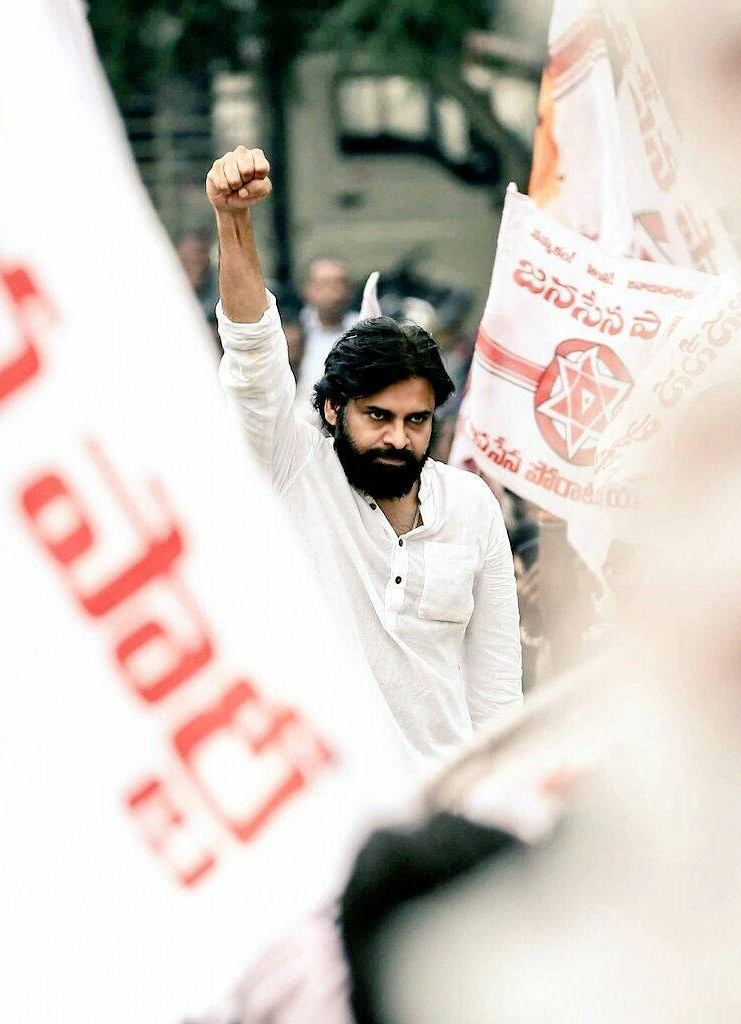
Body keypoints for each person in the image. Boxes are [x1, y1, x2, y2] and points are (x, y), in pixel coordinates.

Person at [207, 145, 522, 767]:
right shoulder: (297, 469)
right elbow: (253, 359)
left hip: (444, 814)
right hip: (328, 812)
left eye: (417, 420)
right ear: (330, 410)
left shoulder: (469, 503)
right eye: (377, 417)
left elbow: (495, 694)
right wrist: (232, 222)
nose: (398, 440)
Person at [297, 256, 359, 401]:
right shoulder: (294, 329)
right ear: (307, 288)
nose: (334, 292)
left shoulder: (362, 328)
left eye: (339, 283)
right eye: (324, 284)